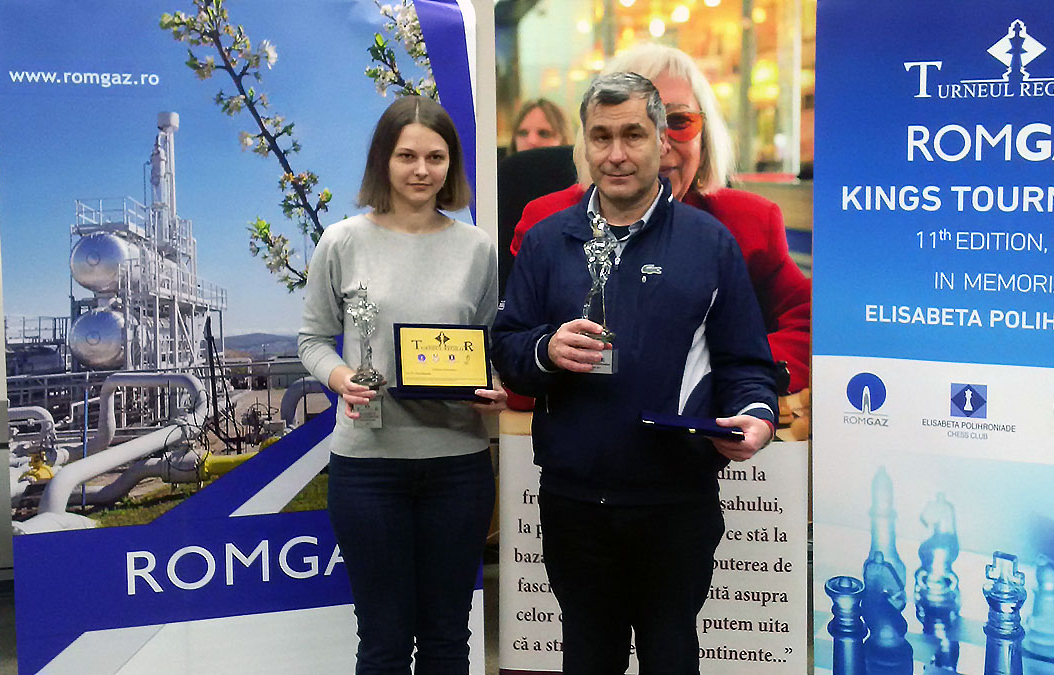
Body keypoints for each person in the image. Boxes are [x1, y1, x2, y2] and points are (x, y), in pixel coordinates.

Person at [492, 72, 778, 674]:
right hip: (573, 501)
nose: (616, 154)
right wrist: (545, 351)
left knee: (671, 655)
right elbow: (509, 347)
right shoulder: (547, 242)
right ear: (585, 146)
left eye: (633, 135)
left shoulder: (710, 245)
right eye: (601, 137)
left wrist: (755, 417)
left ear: (660, 143)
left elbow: (745, 363)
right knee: (587, 657)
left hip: (676, 502)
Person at [298, 95, 505, 674]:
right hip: (369, 467)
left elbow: (491, 341)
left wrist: (494, 381)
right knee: (384, 643)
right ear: (382, 161)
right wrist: (341, 378)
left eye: (436, 157)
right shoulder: (341, 241)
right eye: (406, 155)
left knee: (446, 638)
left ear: (451, 164)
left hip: (458, 466)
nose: (421, 170)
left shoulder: (477, 248)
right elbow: (311, 339)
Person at [510, 43, 811, 392]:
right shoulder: (547, 222)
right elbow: (515, 344)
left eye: (678, 121)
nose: (659, 144)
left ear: (707, 136)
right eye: (634, 129)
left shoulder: (747, 224)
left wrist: (717, 373)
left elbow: (810, 325)